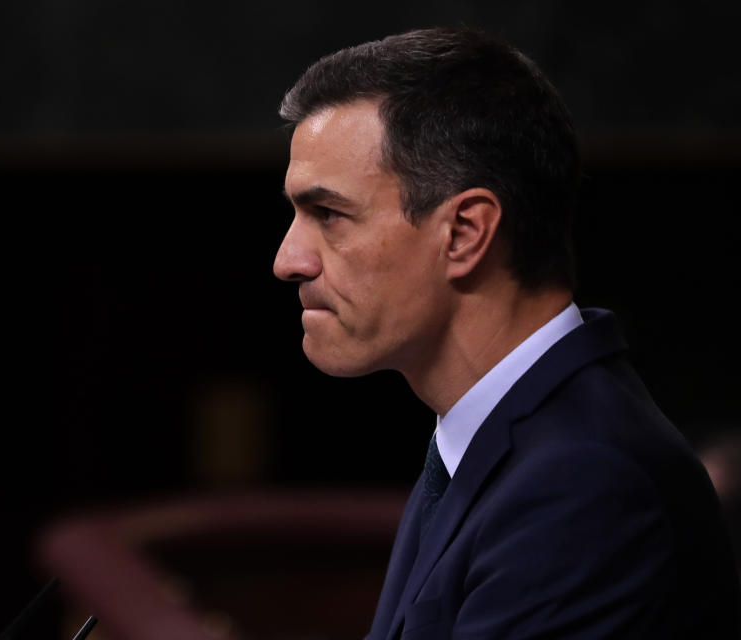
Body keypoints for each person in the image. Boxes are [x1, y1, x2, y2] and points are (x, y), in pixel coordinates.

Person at [273, 27, 739, 639]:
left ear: (465, 232)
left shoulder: (582, 482)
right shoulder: (499, 436)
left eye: (328, 214)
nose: (288, 259)